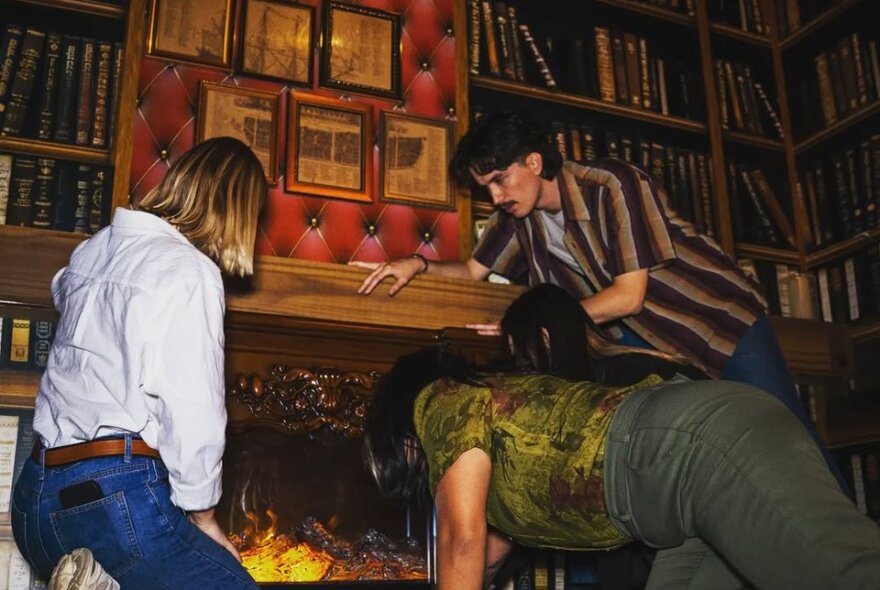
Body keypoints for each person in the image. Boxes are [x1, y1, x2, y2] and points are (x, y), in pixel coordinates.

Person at [355, 110, 849, 494]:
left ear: (532, 161)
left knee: (790, 439)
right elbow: (471, 270)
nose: (495, 195)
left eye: (499, 179)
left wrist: (544, 328)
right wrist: (416, 264)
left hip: (716, 324)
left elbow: (629, 295)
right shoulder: (517, 219)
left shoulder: (610, 183)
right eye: (485, 187)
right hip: (641, 344)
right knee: (706, 456)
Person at [363, 348, 880, 590]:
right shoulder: (488, 430)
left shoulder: (437, 400)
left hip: (697, 450)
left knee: (845, 578)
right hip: (679, 513)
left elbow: (461, 540)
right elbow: (486, 551)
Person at [11, 137, 266, 589]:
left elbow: (63, 294)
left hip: (35, 502)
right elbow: (194, 410)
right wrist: (203, 516)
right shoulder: (190, 272)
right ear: (236, 211)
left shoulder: (94, 249)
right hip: (111, 500)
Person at [499, 283, 708, 590]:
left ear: (544, 339)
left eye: (523, 359)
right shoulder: (642, 366)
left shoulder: (599, 397)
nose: (524, 376)